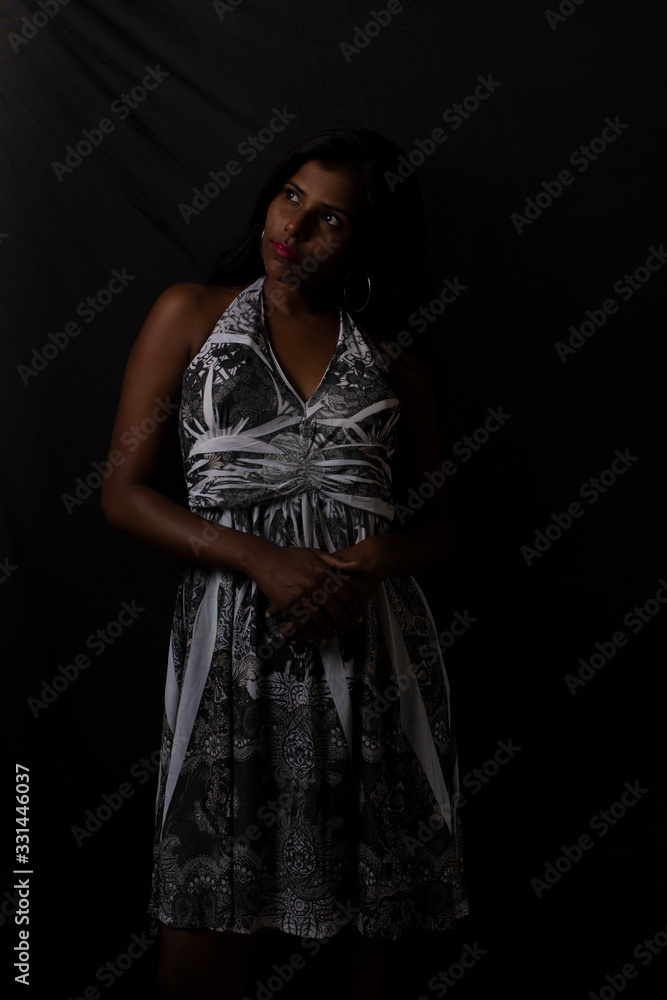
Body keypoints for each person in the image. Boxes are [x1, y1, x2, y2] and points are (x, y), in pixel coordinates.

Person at [101, 125, 469, 1000]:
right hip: (231, 655)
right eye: (291, 196)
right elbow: (122, 491)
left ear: (364, 243)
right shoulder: (188, 314)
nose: (294, 229)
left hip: (368, 658)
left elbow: (446, 530)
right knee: (203, 931)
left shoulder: (392, 365)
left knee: (355, 934)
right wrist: (260, 558)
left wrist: (379, 557)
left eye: (330, 219)